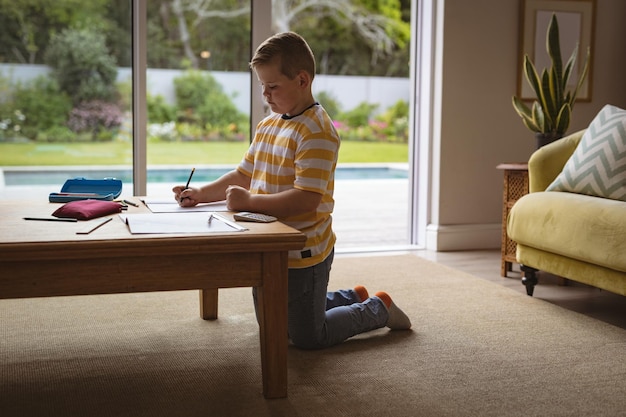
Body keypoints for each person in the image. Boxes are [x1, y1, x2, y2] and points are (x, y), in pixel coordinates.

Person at [173, 31, 411, 349]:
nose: (265, 95)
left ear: (302, 80)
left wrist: (250, 202)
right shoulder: (269, 124)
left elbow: (306, 200)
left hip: (304, 251)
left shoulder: (317, 131)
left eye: (273, 87)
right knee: (273, 323)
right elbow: (243, 174)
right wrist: (202, 194)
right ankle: (352, 296)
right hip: (268, 245)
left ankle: (377, 307)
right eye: (262, 86)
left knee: (307, 337)